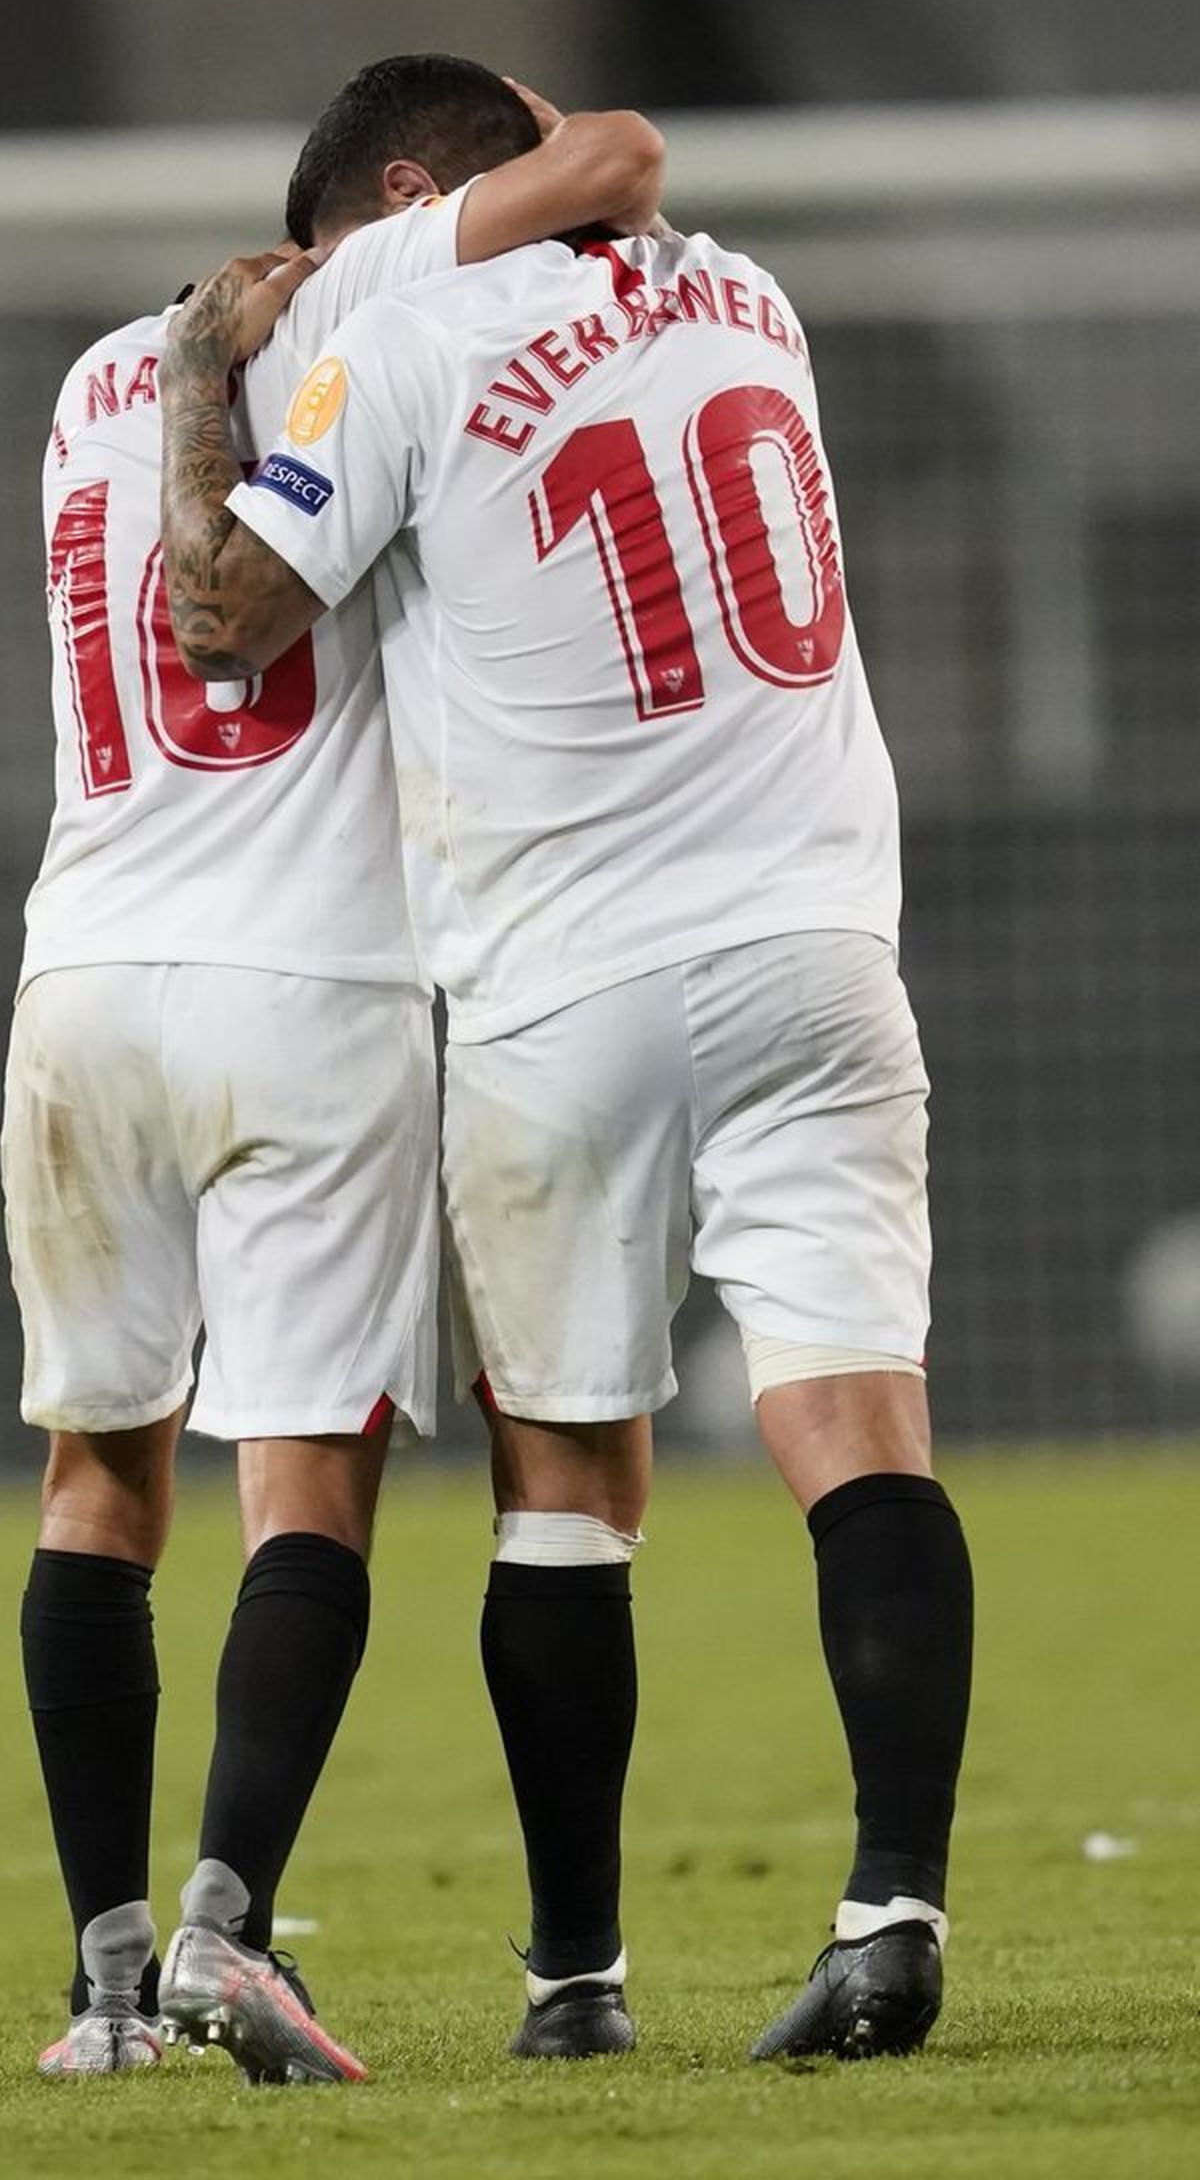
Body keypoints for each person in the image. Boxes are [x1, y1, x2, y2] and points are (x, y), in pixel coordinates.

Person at [157, 201, 975, 2063]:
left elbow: (219, 615)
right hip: (820, 946)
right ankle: (892, 1911)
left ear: (395, 217)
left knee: (568, 1494)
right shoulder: (748, 294)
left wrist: (213, 368)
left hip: (563, 980)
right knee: (861, 1430)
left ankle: (577, 1985)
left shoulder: (409, 342)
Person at [3, 55, 667, 2083]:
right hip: (312, 986)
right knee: (308, 1477)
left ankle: (104, 1993)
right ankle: (226, 1929)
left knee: (92, 1478)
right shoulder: (386, 316)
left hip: (81, 975)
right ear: (394, 202)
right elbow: (607, 160)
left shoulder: (106, 375)